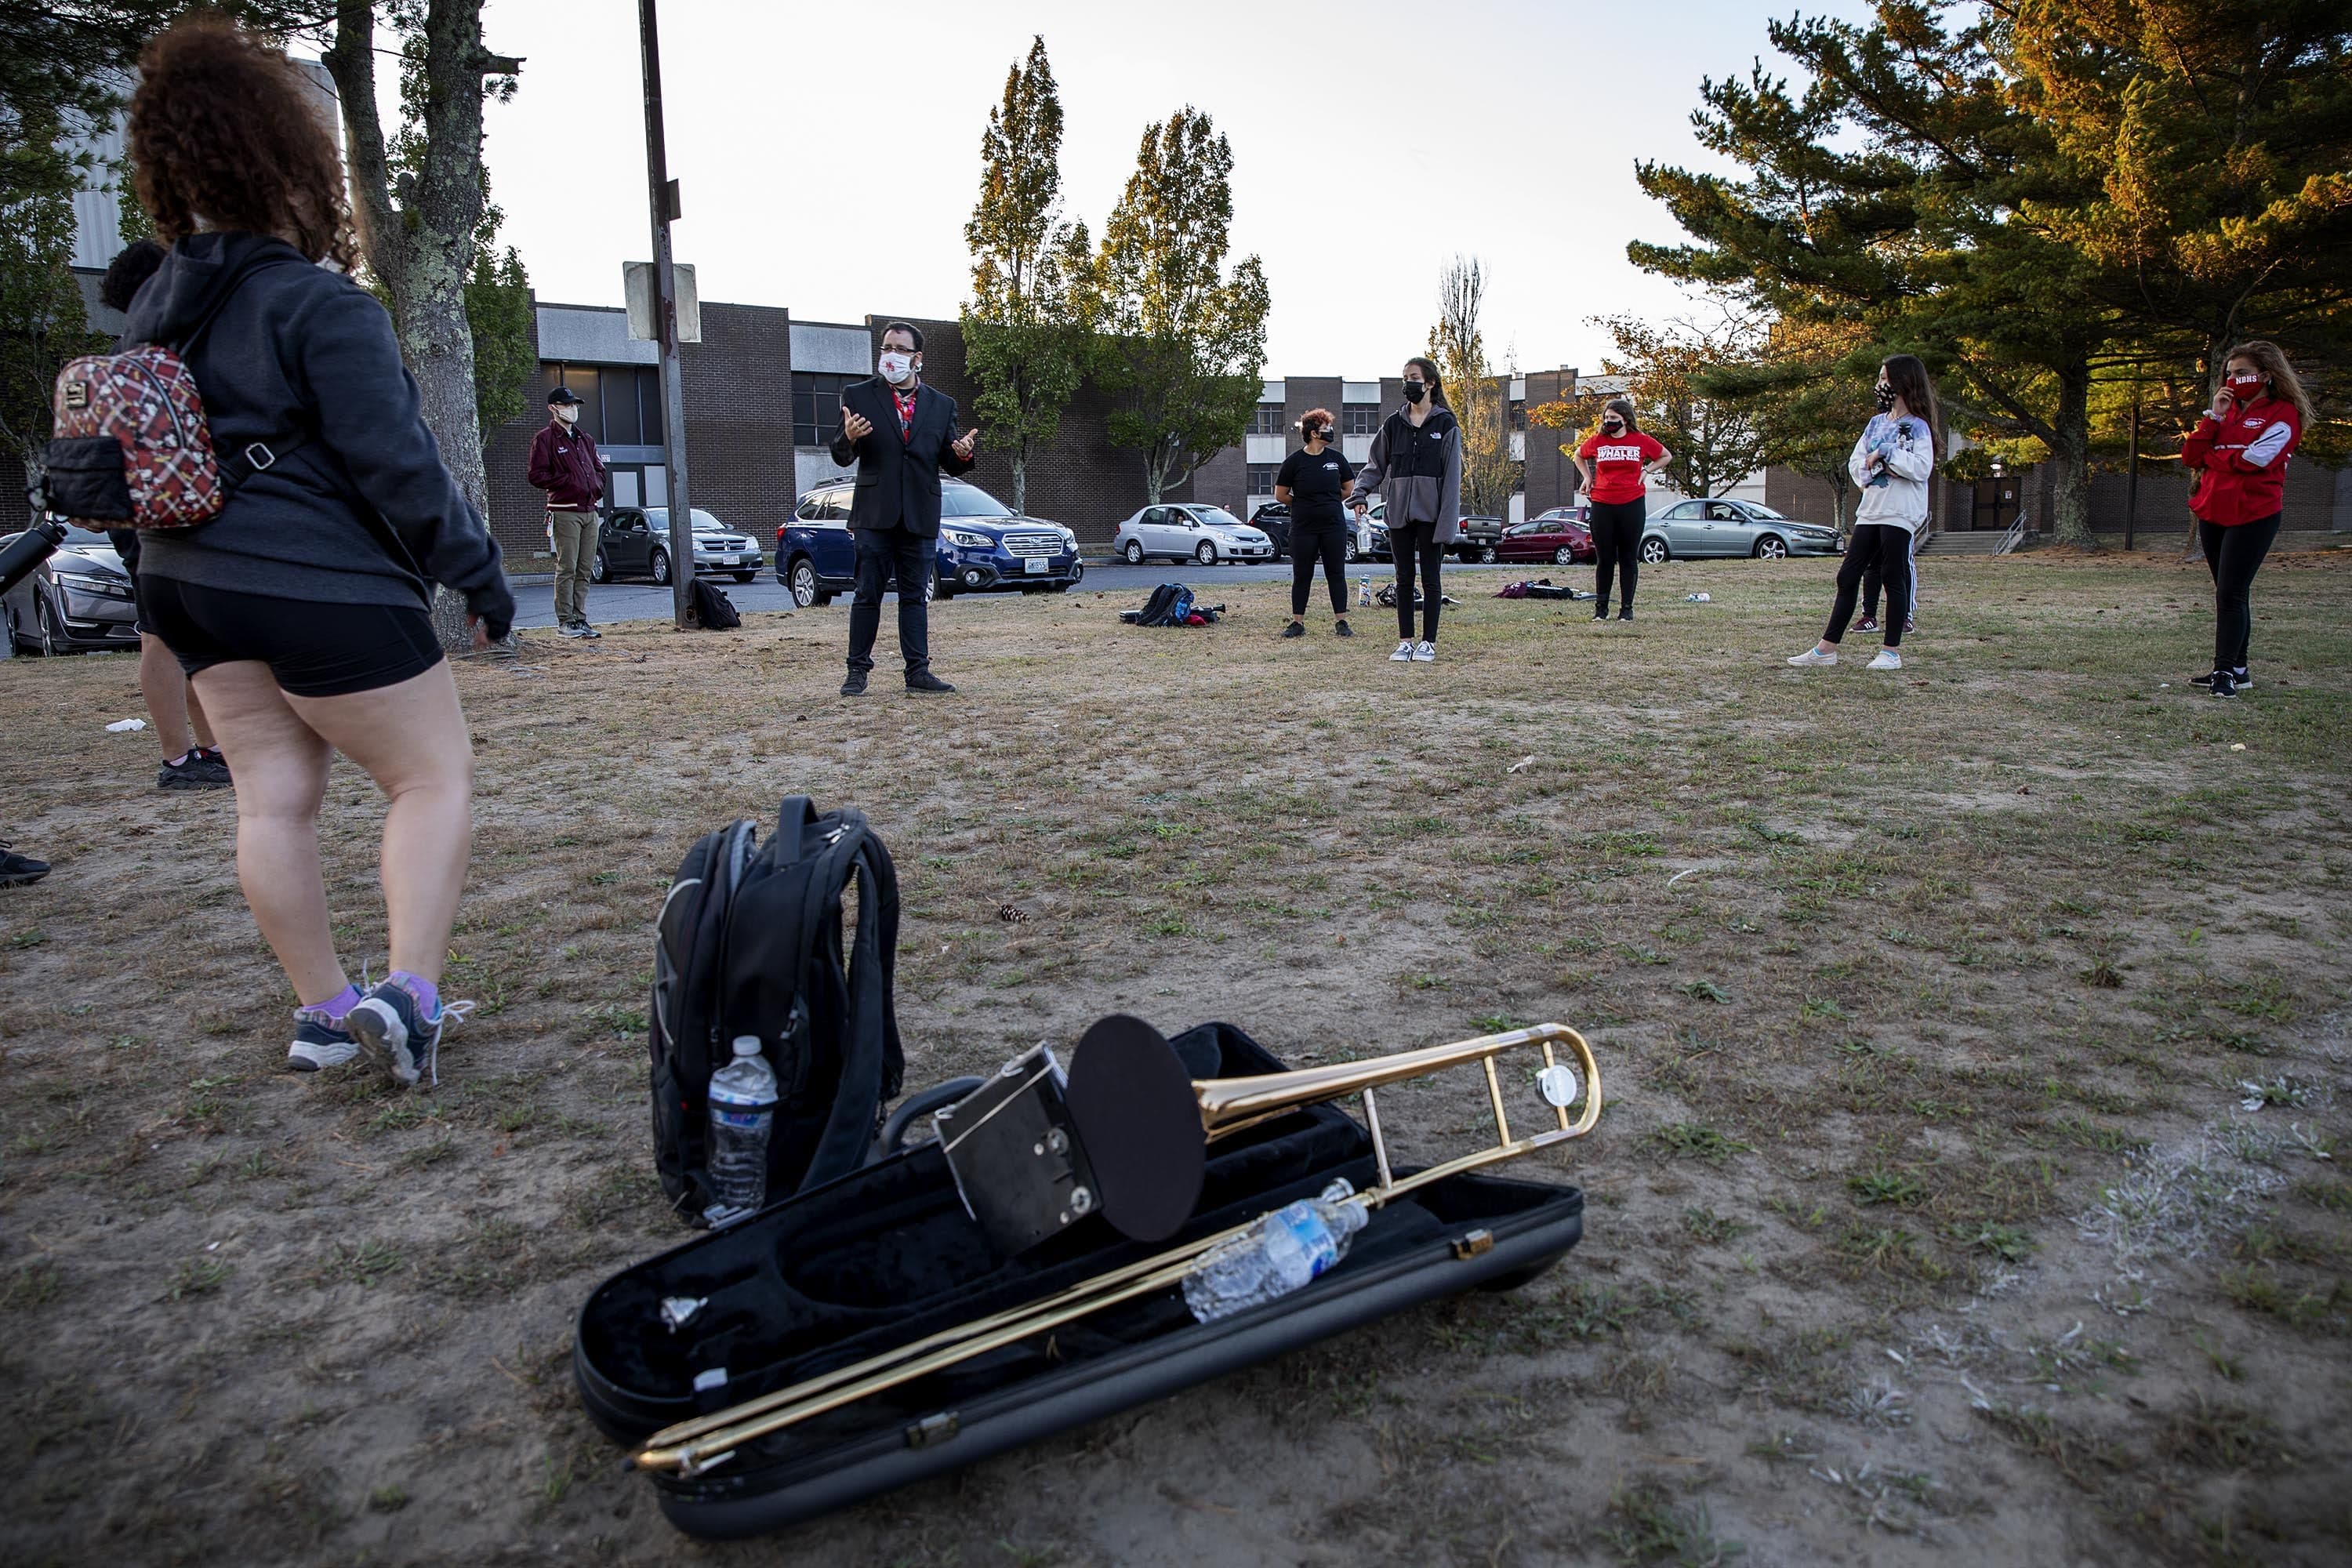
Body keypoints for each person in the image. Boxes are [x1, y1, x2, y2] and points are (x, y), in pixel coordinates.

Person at [122, 17, 514, 1084]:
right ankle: (412, 998)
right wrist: (478, 572)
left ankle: (325, 1012)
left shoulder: (154, 307)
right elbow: (397, 464)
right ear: (289, 159)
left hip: (188, 585)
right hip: (320, 585)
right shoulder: (315, 303)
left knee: (271, 802)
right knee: (431, 777)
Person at [98, 238, 232, 791]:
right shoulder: (151, 361)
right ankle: (178, 760)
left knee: (192, 634)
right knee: (161, 636)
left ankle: (210, 747)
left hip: (153, 511)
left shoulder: (136, 360)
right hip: (156, 512)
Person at [829, 321, 978, 695]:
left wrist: (963, 454)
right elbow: (841, 455)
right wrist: (848, 439)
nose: (890, 355)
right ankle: (857, 672)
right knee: (867, 596)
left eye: (899, 349)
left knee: (915, 597)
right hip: (874, 515)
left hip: (920, 513)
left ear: (917, 358)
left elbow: (950, 460)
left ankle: (918, 672)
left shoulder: (942, 405)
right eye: (886, 348)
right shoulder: (859, 396)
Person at [1787, 355, 1937, 672]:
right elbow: (1859, 464)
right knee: (1848, 575)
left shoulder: (1919, 427)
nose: (1881, 385)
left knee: (1892, 576)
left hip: (1900, 513)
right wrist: (1874, 467)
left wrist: (1885, 454)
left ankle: (1891, 652)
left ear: (1903, 382)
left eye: (1886, 378)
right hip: (1871, 510)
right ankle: (1826, 649)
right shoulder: (1875, 424)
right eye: (1880, 378)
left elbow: (1921, 468)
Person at [2183, 341, 2307, 699]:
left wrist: (2216, 457)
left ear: (2266, 375)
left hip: (2254, 514)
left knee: (2232, 593)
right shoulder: (2226, 414)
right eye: (2230, 373)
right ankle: (2239, 668)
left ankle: (2224, 671)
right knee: (2229, 592)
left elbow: (2254, 461)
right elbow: (2192, 455)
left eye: (2242, 372)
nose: (2233, 379)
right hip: (2213, 511)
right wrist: (2214, 418)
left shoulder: (2283, 414)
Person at [1352, 357, 1461, 662]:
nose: (1407, 383)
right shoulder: (1393, 424)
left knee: (1431, 580)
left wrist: (1446, 524)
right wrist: (1360, 493)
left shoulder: (1446, 424)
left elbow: (1452, 478)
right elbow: (1376, 465)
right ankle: (1406, 642)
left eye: (1414, 377)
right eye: (1404, 378)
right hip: (1398, 514)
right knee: (1403, 579)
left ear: (1430, 383)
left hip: (1431, 515)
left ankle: (1429, 642)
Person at [1573, 398, 1670, 622]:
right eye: (1606, 419)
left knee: (1628, 557)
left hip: (1632, 503)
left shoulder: (1640, 440)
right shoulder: (1598, 441)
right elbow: (1579, 455)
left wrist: (1647, 470)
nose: (1609, 423)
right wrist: (1587, 477)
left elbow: (1666, 455)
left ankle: (1626, 610)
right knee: (1605, 558)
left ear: (1625, 420)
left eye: (1614, 419)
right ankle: (1601, 610)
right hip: (1602, 503)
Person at [527, 385, 606, 639]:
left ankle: (580, 618)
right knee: (567, 567)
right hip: (565, 512)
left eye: (574, 405)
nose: (572, 409)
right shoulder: (545, 439)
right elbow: (537, 475)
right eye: (567, 405)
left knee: (585, 568)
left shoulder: (585, 439)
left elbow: (599, 470)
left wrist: (596, 486)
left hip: (589, 511)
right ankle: (565, 621)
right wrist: (567, 481)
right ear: (553, 408)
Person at [1274, 408, 1356, 638]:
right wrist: (1303, 505)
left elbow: (1348, 489)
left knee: (1336, 573)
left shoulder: (1336, 459)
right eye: (1325, 428)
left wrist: (1328, 501)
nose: (1330, 432)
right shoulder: (1294, 462)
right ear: (1312, 433)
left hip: (1333, 526)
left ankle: (1341, 621)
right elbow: (1280, 495)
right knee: (1302, 575)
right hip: (1303, 528)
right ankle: (1297, 623)